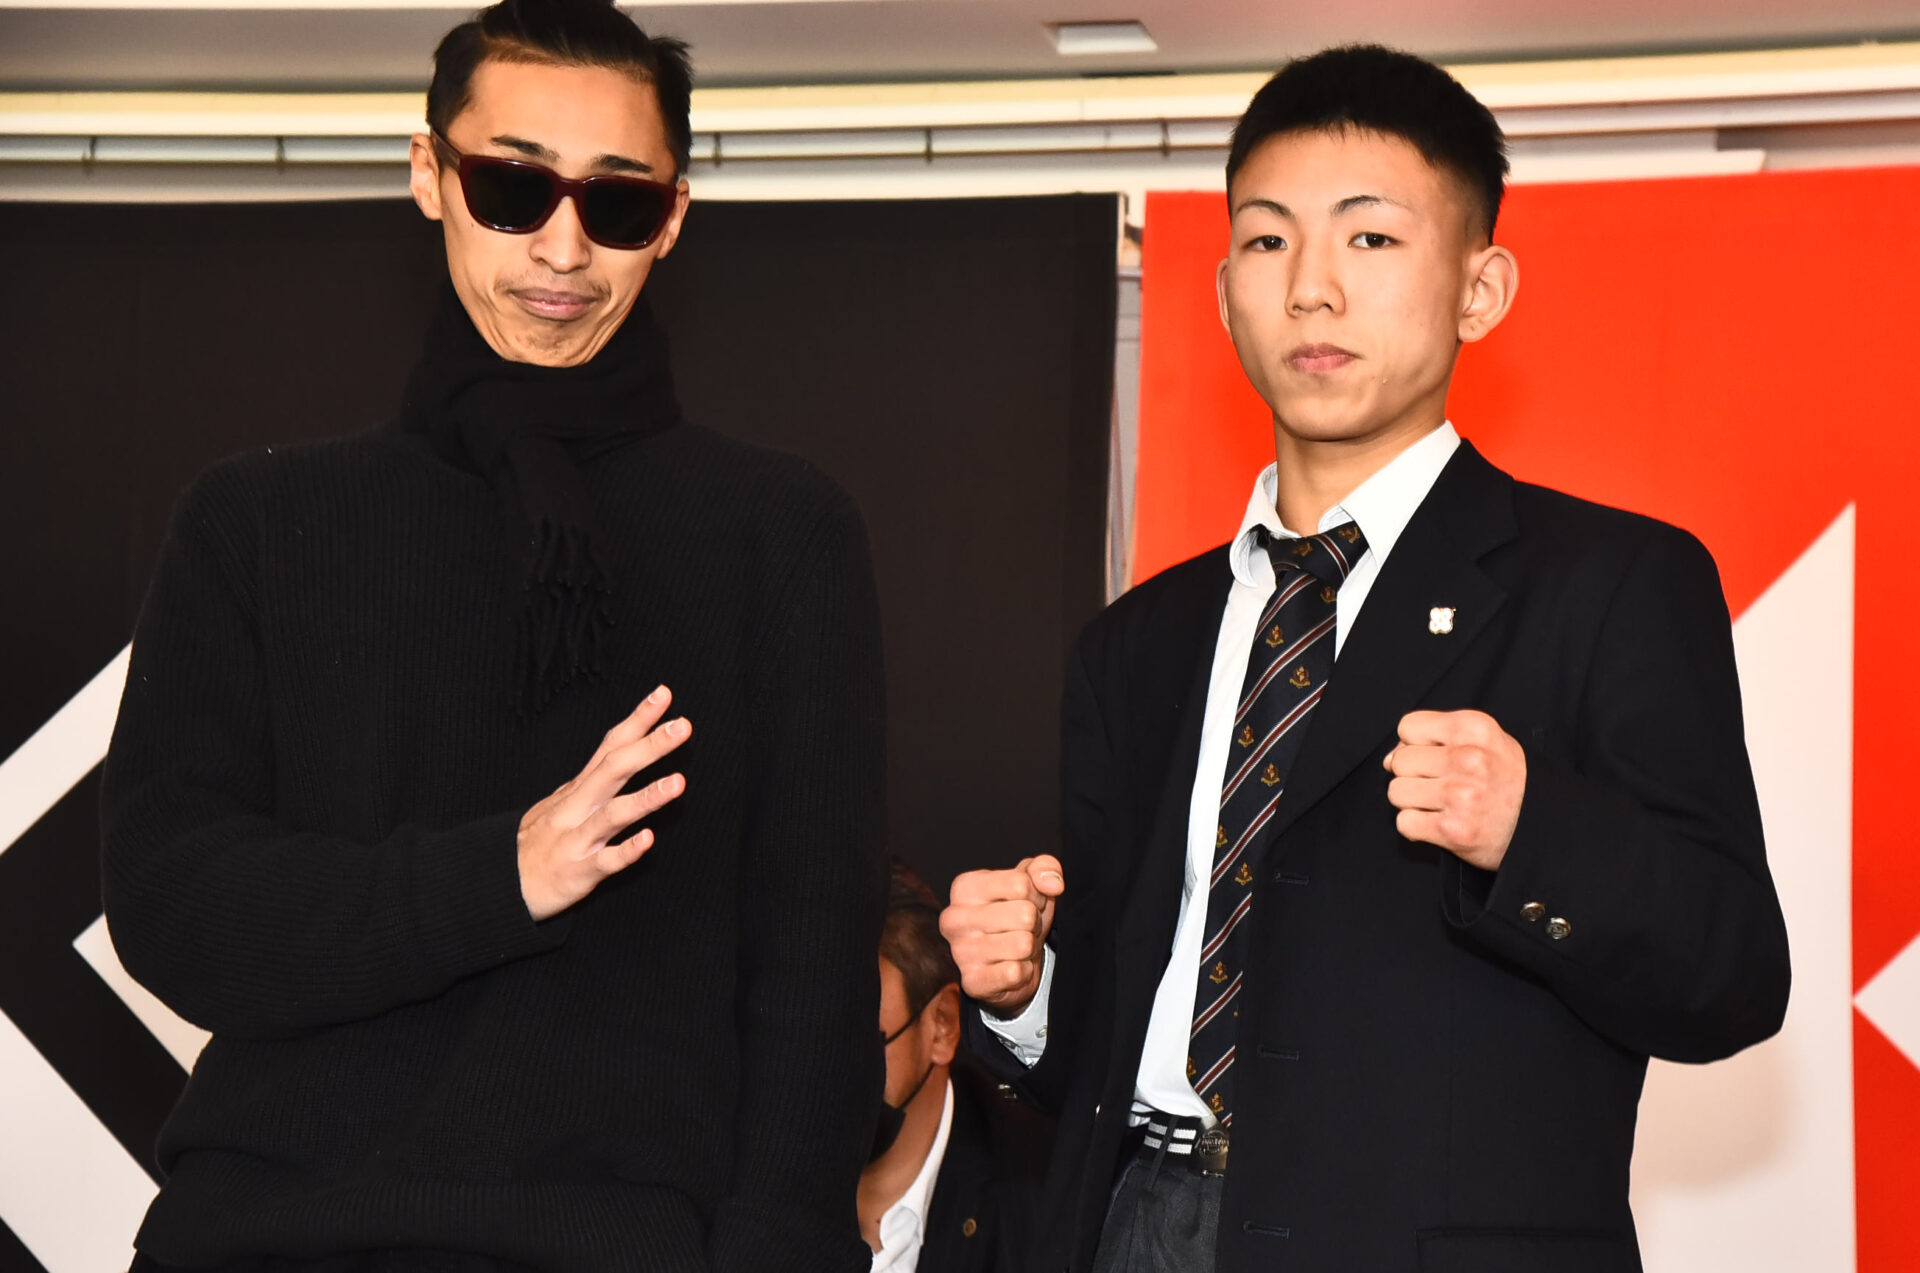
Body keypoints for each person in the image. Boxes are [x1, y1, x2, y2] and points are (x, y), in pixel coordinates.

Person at [939, 44, 1790, 1273]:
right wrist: (1027, 998)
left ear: (1481, 289)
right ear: (1223, 287)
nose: (1313, 290)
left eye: (1372, 237)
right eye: (1268, 240)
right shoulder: (1137, 644)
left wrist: (1532, 830)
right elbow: (1128, 1032)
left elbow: (1732, 978)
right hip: (1138, 1228)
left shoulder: (1611, 584)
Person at [99, 1, 885, 1269]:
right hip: (268, 1235)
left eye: (617, 203)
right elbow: (173, 907)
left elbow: (811, 980)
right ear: (431, 175)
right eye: (513, 189)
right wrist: (498, 879)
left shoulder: (778, 534)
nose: (563, 248)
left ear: (674, 216)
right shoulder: (258, 520)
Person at [864, 862, 1040, 1273]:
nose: (823, 1063)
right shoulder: (751, 1176)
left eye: (856, 1035)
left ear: (942, 1023)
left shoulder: (1030, 1208)